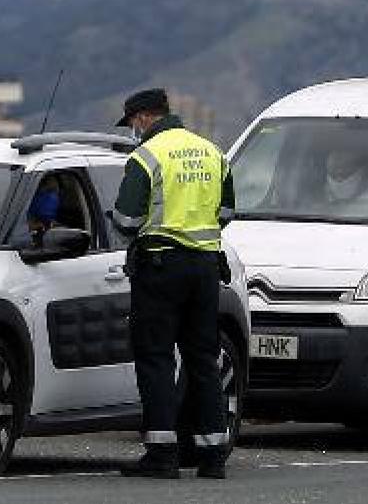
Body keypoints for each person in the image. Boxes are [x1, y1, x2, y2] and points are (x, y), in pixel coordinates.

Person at [110, 88, 236, 480]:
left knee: (156, 358)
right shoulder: (212, 152)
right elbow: (227, 211)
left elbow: (127, 221)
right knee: (203, 359)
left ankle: (162, 454)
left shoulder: (146, 156)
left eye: (132, 123)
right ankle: (213, 454)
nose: (133, 130)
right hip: (205, 267)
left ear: (144, 118)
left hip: (161, 267)